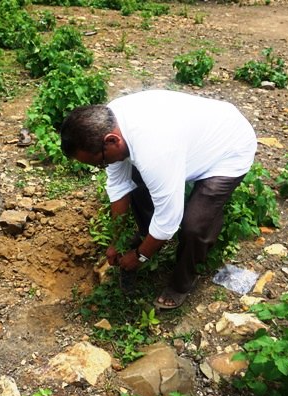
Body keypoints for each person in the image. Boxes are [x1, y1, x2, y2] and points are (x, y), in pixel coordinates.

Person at [60, 90, 257, 309]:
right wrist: (116, 241)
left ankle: (182, 282)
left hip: (228, 148)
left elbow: (168, 219)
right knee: (136, 179)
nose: (103, 167)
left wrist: (140, 256)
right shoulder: (108, 122)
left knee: (195, 224)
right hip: (189, 142)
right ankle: (148, 235)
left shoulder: (155, 151)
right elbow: (119, 187)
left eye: (101, 163)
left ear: (112, 140)